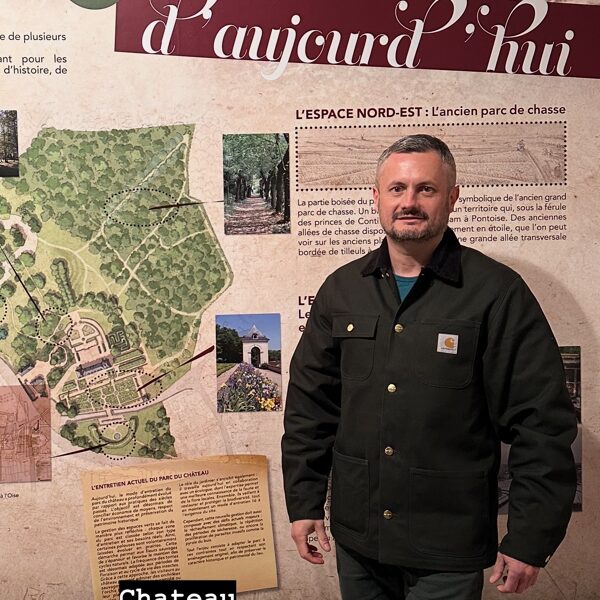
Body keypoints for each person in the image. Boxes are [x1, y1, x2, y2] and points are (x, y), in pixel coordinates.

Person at [281, 134, 577, 599]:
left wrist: (530, 538)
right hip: (360, 540)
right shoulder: (341, 290)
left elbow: (541, 422)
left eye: (426, 189)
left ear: (452, 197)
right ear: (376, 197)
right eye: (397, 188)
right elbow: (309, 409)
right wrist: (304, 502)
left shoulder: (497, 293)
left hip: (448, 543)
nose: (409, 202)